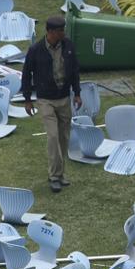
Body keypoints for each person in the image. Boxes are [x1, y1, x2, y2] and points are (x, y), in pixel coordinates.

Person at [22, 16, 82, 193]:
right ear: (50, 32)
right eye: (60, 31)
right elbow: (26, 74)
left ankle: (60, 173)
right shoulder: (36, 50)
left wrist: (77, 93)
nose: (63, 33)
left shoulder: (68, 46)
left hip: (63, 98)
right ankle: (54, 176)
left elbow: (75, 70)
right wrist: (27, 99)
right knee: (53, 137)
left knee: (64, 137)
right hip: (45, 99)